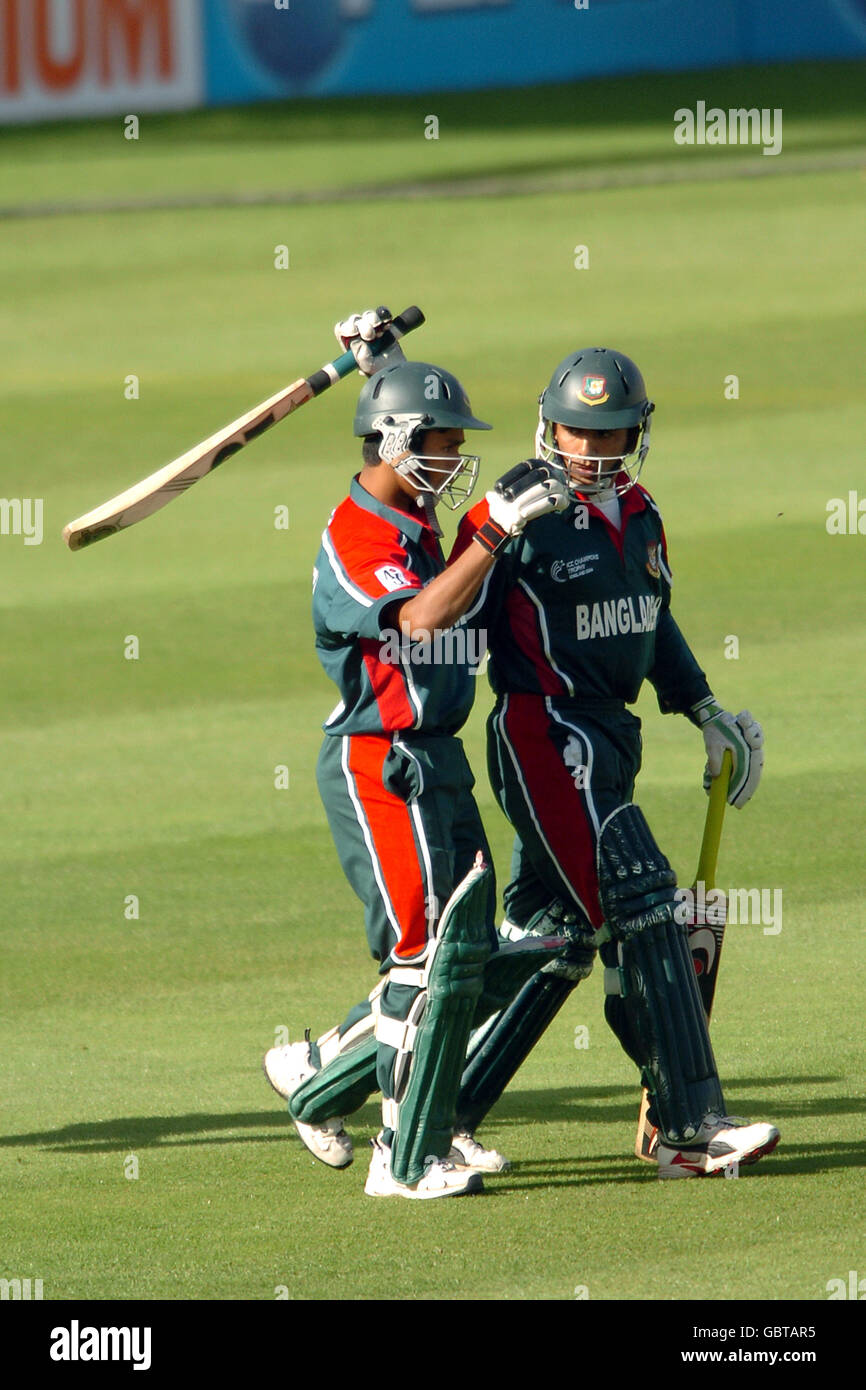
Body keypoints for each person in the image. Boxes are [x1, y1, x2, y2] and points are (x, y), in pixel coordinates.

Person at [450, 345, 779, 1179]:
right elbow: (440, 614)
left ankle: (431, 1104)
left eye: (612, 433)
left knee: (554, 938)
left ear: (636, 434)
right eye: (577, 431)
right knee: (642, 900)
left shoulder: (640, 512)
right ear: (548, 424)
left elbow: (652, 619)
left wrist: (701, 706)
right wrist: (490, 534)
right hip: (545, 733)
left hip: (611, 738)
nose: (592, 450)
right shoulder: (516, 512)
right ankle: (690, 1127)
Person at [265, 314, 567, 1198]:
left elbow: (431, 529)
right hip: (380, 764)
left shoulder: (412, 507)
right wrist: (496, 531)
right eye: (436, 442)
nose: (453, 459)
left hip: (436, 757)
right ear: (393, 443)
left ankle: (321, 1074)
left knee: (464, 950)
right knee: (424, 961)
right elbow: (425, 617)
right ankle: (407, 1155)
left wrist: (386, 366)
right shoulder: (358, 535)